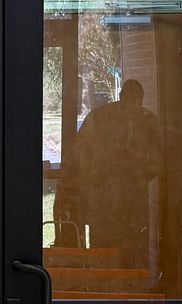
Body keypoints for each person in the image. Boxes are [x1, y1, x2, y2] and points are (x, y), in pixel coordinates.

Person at [68, 77, 162, 275]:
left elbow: (158, 160)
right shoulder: (99, 118)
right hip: (104, 198)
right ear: (121, 96)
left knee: (133, 248)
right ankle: (103, 285)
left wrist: (137, 175)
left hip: (132, 199)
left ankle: (131, 285)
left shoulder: (148, 121)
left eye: (136, 100)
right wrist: (95, 179)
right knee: (104, 247)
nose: (132, 106)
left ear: (141, 99)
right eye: (129, 99)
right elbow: (80, 154)